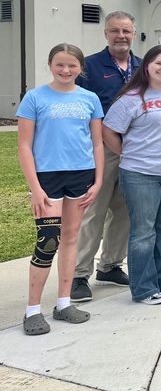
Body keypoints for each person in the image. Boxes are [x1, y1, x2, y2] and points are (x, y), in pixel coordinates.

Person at [17, 44, 104, 334]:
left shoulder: (90, 98)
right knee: (48, 240)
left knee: (70, 238)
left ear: (81, 68)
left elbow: (97, 143)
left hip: (81, 175)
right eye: (60, 65)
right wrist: (36, 188)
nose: (66, 70)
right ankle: (32, 310)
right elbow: (24, 146)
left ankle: (64, 303)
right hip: (47, 177)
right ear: (50, 64)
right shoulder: (35, 98)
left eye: (72, 66)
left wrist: (99, 180)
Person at [101, 45, 161, 305]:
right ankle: (143, 287)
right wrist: (127, 152)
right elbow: (108, 130)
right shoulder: (131, 97)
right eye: (159, 63)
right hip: (141, 173)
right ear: (147, 65)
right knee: (143, 232)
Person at [71, 11, 141, 303]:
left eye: (126, 31)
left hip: (135, 148)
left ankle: (110, 265)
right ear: (106, 34)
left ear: (134, 33)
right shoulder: (89, 66)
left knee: (125, 210)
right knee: (94, 211)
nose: (120, 36)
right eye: (114, 31)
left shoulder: (143, 66)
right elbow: (77, 105)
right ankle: (78, 274)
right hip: (99, 149)